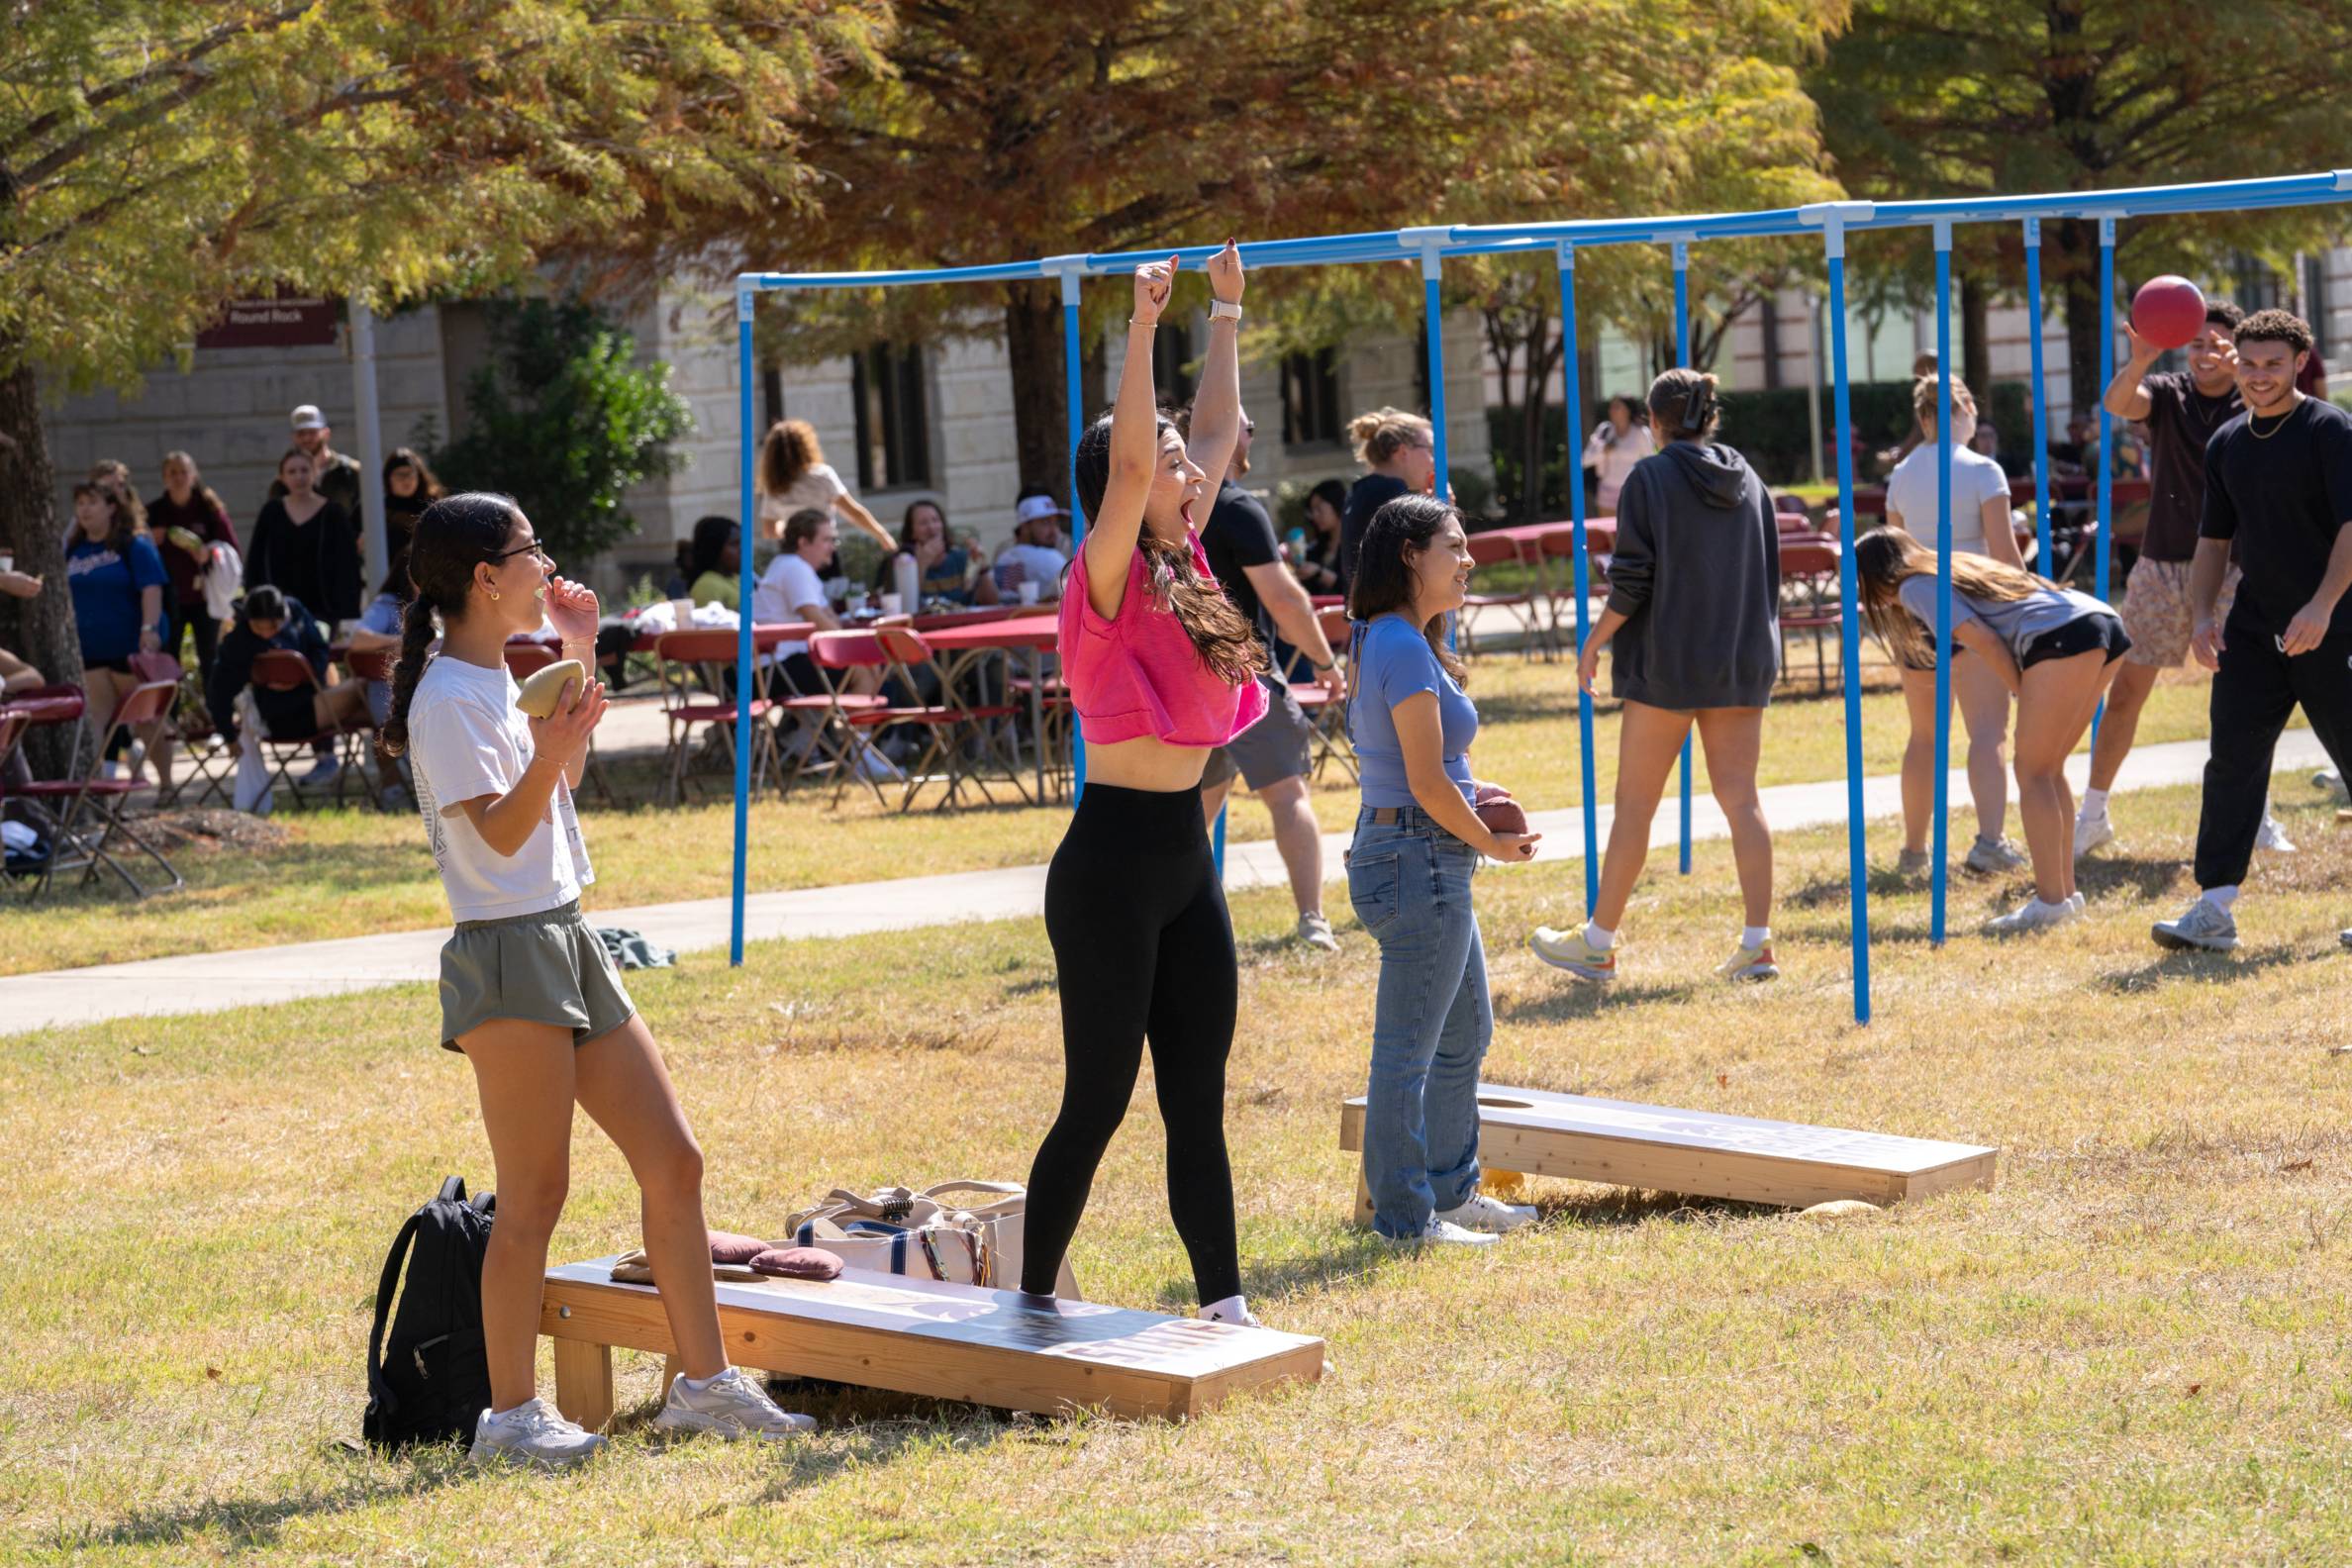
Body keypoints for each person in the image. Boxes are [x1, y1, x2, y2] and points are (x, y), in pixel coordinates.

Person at [377, 493, 814, 1468]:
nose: (548, 562)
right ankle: (509, 1421)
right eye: (533, 550)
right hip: (505, 950)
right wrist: (555, 743)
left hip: (565, 937)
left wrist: (575, 657)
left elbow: (553, 795)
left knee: (675, 1161)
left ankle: (704, 1388)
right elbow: (496, 830)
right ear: (487, 578)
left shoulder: (499, 676)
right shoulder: (446, 696)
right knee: (534, 1195)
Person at [1022, 242, 1269, 1328]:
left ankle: (1224, 1301)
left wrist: (1224, 313)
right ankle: (1030, 1300)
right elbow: (1133, 468)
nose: (1190, 470)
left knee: (1196, 1102)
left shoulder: (1187, 557)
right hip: (1110, 865)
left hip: (1184, 860)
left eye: (1183, 464)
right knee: (1097, 1100)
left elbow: (1213, 432)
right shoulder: (1107, 574)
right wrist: (1142, 325)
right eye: (1170, 462)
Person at [1529, 368, 1781, 983]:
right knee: (1743, 802)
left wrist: (1592, 643)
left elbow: (1633, 577)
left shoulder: (1649, 477)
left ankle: (1598, 943)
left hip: (1669, 664)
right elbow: (1768, 574)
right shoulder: (1748, 478)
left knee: (1635, 807)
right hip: (1740, 661)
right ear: (1710, 415)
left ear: (1654, 419)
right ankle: (1758, 944)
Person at [1346, 494, 1541, 1246]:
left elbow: (1430, 771)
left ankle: (1453, 1194)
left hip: (1421, 855)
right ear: (1408, 556)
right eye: (1453, 547)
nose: (1468, 561)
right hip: (1417, 860)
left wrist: (1478, 796)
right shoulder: (1396, 643)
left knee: (1465, 1033)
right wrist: (1490, 843)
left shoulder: (1398, 640)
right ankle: (1403, 1220)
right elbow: (1425, 783)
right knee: (1407, 1054)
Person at [2152, 310, 2352, 953]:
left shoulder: (2330, 431)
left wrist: (2322, 606)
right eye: (2250, 363)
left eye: (2274, 364)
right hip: (2255, 627)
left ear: (2299, 364)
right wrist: (2203, 615)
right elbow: (2214, 541)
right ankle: (2214, 908)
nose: (2259, 376)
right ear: (2234, 363)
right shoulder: (2228, 443)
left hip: (2334, 621)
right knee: (2232, 761)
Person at [2076, 300, 2294, 859]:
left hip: (2235, 565)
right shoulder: (2170, 393)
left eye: (2216, 344)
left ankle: (2259, 817)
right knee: (2125, 694)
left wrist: (2243, 372)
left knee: (2243, 698)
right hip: (2163, 564)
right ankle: (2093, 814)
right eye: (2195, 343)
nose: (2204, 354)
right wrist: (2140, 359)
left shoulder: (2256, 397)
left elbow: (2271, 415)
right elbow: (2119, 402)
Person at [1856, 529, 2126, 934]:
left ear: (1873, 578)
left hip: (2061, 634)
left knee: (2033, 772)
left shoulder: (1913, 586)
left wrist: (2021, 690)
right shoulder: (1952, 566)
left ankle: (2051, 902)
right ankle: (2066, 896)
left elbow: (1980, 639)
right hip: (2100, 621)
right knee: (2048, 769)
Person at [1177, 402, 1347, 952]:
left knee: (1190, 819)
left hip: (1184, 685)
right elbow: (1284, 600)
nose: (1251, 434)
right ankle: (1313, 920)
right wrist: (1324, 662)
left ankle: (1176, 927)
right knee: (1288, 796)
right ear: (1225, 435)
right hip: (1246, 680)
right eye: (1246, 425)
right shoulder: (1238, 507)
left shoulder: (1166, 510)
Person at [1881, 374, 2027, 878]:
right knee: (1987, 733)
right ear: (1966, 410)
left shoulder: (1900, 475)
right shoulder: (1984, 471)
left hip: (1915, 610)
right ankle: (1990, 841)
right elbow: (2005, 555)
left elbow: (1896, 553)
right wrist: (2030, 603)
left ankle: (1915, 850)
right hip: (1975, 604)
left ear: (1922, 418)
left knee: (1924, 736)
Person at [206, 585, 382, 787]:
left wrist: (302, 675)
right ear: (248, 621)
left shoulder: (295, 612)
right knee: (366, 686)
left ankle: (393, 780)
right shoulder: (239, 640)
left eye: (272, 627)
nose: (265, 634)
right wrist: (228, 735)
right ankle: (393, 782)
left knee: (376, 707)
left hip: (313, 700)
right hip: (280, 716)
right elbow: (219, 688)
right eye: (258, 628)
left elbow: (319, 649)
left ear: (283, 618)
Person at [64, 478, 173, 789]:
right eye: (80, 503)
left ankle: (167, 787)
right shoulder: (73, 549)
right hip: (91, 649)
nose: (84, 510)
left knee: (147, 718)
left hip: (131, 647)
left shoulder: (132, 544)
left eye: (92, 502)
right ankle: (100, 794)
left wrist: (149, 629)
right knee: (97, 719)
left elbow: (151, 589)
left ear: (112, 507)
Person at [147, 450, 240, 686]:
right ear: (164, 478)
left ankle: (217, 715)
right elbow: (138, 549)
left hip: (204, 597)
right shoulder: (154, 512)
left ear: (194, 475)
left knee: (211, 658)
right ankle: (171, 718)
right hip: (169, 599)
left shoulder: (209, 509)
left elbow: (231, 549)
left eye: (183, 472)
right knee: (169, 660)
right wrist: (150, 539)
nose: (178, 478)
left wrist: (209, 553)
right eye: (172, 473)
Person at [245, 448, 363, 629]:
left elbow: (347, 565)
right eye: (292, 472)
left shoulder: (333, 513)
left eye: (304, 470)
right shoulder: (271, 512)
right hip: (277, 611)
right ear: (282, 477)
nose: (299, 477)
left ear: (315, 472)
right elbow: (255, 560)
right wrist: (255, 601)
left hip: (324, 610)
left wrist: (347, 611)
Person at [1338, 407, 1436, 596]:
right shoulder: (1391, 492)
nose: (1434, 460)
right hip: (1391, 617)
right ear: (1402, 452)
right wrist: (1442, 516)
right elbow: (1428, 560)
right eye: (1430, 450)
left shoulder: (1363, 490)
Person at [754, 419, 893, 552]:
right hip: (824, 549)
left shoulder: (774, 485)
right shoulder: (821, 475)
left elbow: (769, 531)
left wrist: (790, 527)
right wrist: (881, 534)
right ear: (806, 446)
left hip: (793, 552)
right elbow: (853, 512)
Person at [877, 499, 1000, 606]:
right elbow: (903, 606)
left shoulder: (960, 558)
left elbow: (992, 602)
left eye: (935, 520)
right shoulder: (901, 563)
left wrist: (982, 567)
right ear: (912, 532)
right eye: (923, 523)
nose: (931, 527)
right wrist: (922, 563)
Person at [270, 405, 365, 532]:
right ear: (293, 437)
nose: (306, 438)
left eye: (312, 432)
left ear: (326, 433)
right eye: (301, 433)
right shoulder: (284, 480)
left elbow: (369, 509)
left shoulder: (351, 471)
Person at [1580, 395, 1656, 516]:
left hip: (1632, 492)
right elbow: (1584, 460)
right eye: (1611, 407)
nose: (1611, 410)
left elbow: (1651, 462)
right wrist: (1603, 451)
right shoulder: (1604, 430)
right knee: (1609, 533)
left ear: (1628, 410)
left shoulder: (1640, 432)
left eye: (1617, 407)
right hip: (1605, 493)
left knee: (1630, 533)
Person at [996, 488, 1073, 601]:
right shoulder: (1052, 557)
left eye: (1056, 522)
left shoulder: (1003, 554)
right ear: (1025, 527)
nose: (1054, 531)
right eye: (1045, 522)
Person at [1294, 478, 1347, 597]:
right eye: (1312, 510)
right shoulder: (1314, 549)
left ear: (1336, 504)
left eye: (1319, 508)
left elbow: (1352, 588)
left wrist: (1319, 573)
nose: (1314, 515)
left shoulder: (1357, 546)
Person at [683, 515, 742, 612]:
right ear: (714, 548)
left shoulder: (736, 578)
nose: (742, 549)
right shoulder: (708, 586)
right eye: (734, 544)